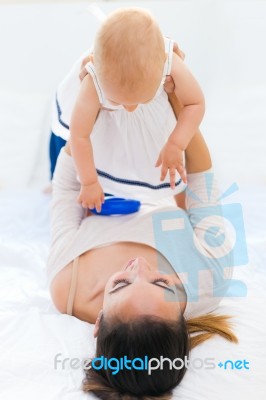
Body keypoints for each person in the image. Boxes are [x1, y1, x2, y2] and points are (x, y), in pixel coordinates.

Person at [47, 86, 238, 397]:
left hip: (91, 177)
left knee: (64, 129)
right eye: (162, 282)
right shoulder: (209, 280)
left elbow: (66, 189)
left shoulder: (67, 286)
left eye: (120, 283)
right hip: (168, 169)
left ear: (98, 322)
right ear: (181, 319)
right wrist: (178, 103)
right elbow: (202, 179)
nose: (140, 266)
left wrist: (91, 104)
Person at [51, 7, 205, 212]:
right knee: (70, 149)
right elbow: (79, 135)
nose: (130, 109)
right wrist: (89, 182)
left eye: (142, 99)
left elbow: (194, 104)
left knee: (173, 170)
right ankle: (70, 186)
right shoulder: (93, 78)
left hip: (151, 121)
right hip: (102, 118)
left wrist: (176, 143)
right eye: (119, 100)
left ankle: (184, 209)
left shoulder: (169, 61)